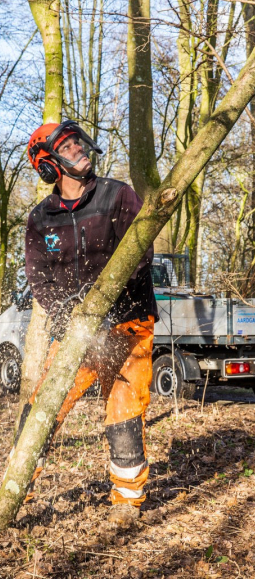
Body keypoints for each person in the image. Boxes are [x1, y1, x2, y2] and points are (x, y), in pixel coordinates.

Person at [14, 120, 158, 526]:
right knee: (46, 403)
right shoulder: (41, 218)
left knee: (123, 407)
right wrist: (66, 314)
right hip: (76, 329)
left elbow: (139, 253)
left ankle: (127, 500)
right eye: (67, 146)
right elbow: (38, 275)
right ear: (48, 165)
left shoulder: (117, 195)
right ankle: (17, 482)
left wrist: (103, 300)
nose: (77, 150)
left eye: (79, 142)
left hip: (128, 321)